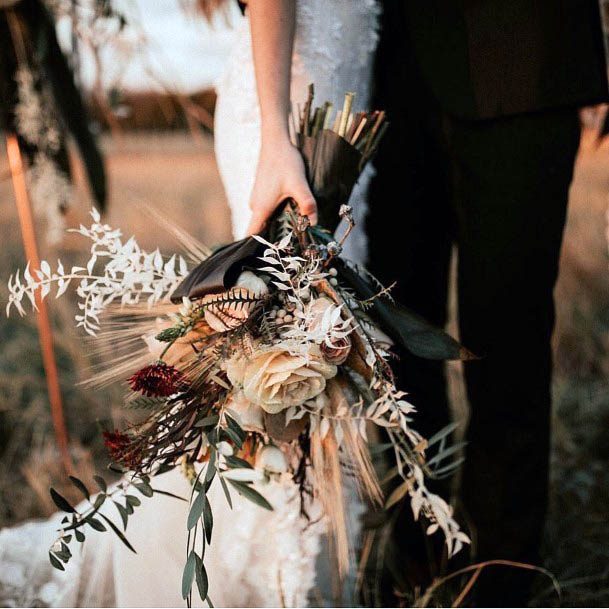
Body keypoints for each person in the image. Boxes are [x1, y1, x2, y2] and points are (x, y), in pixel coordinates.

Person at [0, 1, 381, 606]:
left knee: (300, 354)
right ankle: (266, 574)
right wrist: (279, 140)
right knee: (285, 354)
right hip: (290, 117)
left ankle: (292, 562)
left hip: (323, 108)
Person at [366, 1, 609, 606]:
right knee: (389, 333)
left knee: (508, 337)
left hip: (526, 53)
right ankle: (416, 551)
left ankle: (502, 575)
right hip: (377, 66)